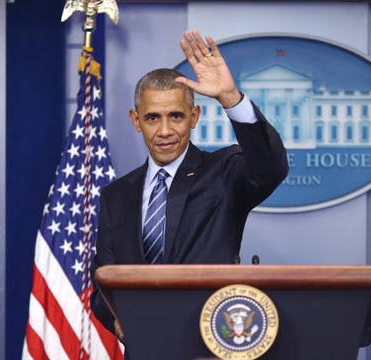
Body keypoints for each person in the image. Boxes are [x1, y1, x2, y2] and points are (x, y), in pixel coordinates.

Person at [90, 30, 288, 338]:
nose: (165, 130)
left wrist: (230, 99)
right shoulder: (117, 195)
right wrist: (117, 318)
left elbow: (270, 168)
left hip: (210, 343)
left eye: (177, 116)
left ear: (194, 117)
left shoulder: (223, 171)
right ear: (135, 120)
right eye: (153, 118)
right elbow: (103, 278)